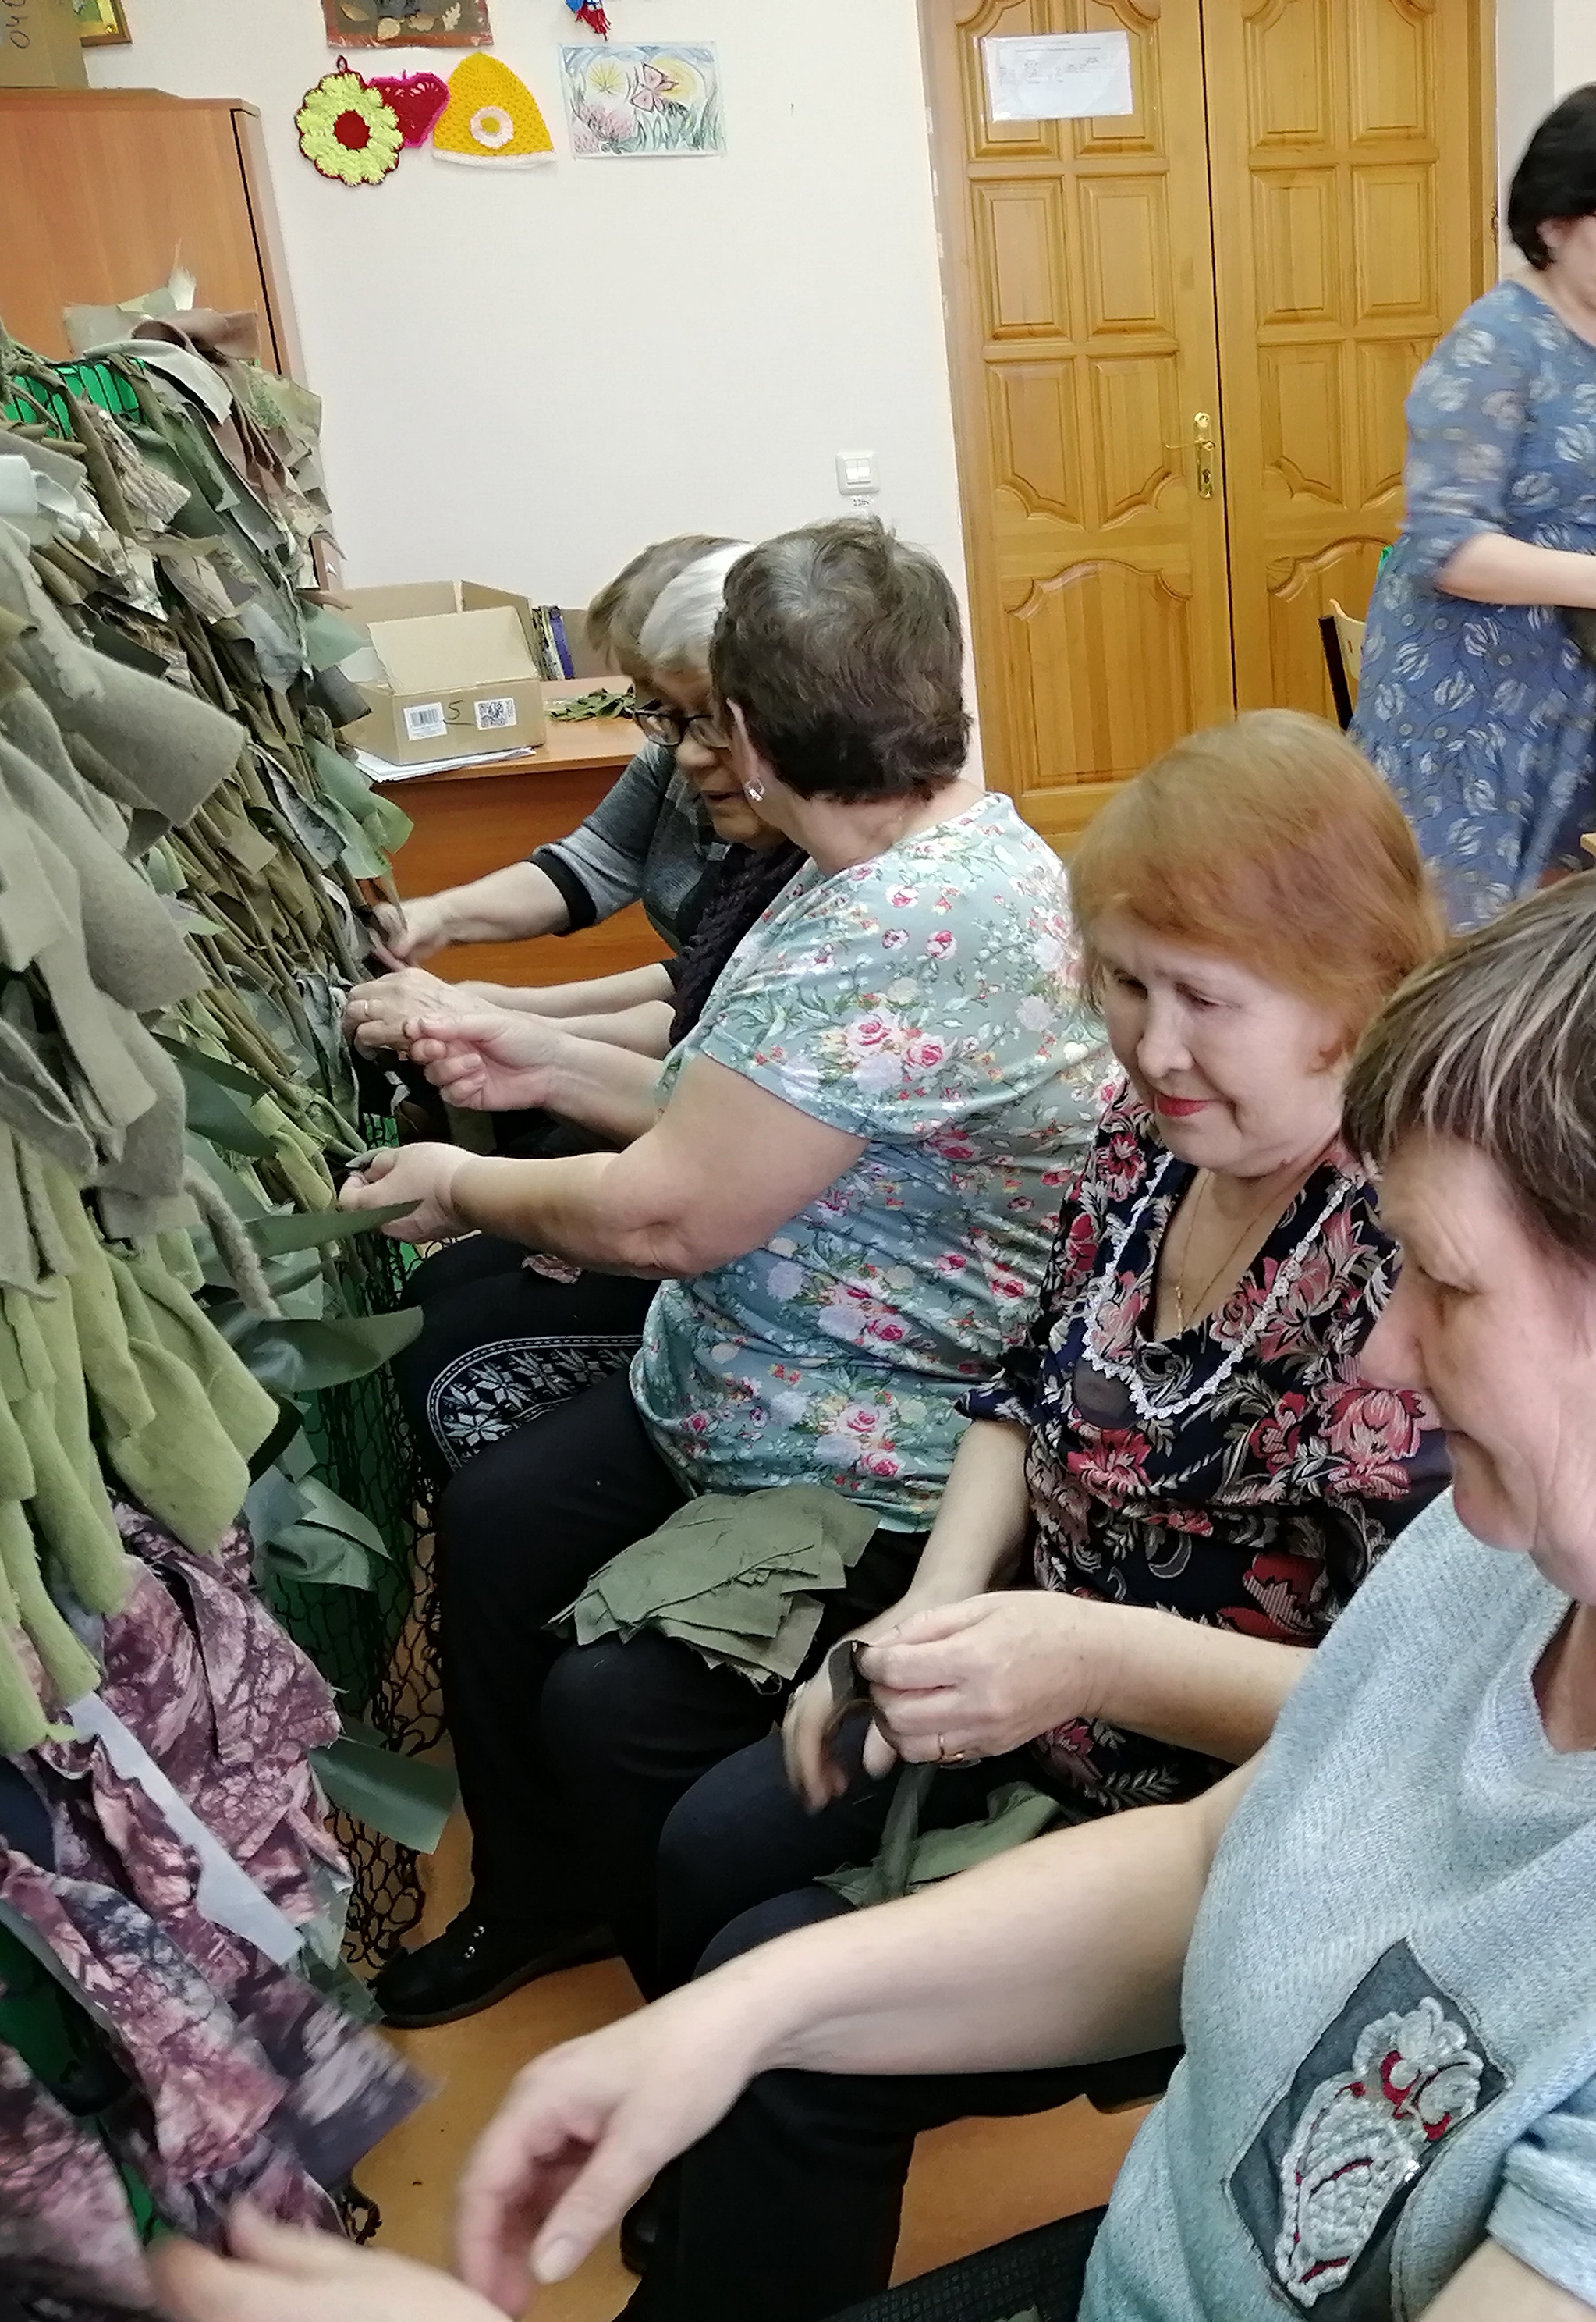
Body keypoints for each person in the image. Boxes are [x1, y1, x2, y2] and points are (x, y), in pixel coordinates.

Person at [180, 866, 1596, 2322]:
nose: (1390, 1355)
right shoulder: (1569, 1538)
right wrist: (745, 2015)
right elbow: (1251, 1851)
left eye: (1447, 1285)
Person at [607, 711, 1449, 2316]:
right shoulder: (1154, 1139)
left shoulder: (1409, 1257)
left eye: (1206, 999)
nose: (1152, 1045)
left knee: (790, 2021)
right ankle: (703, 2174)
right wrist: (935, 1608)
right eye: (1124, 985)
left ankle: (741, 2199)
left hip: (1212, 1796)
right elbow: (1024, 1380)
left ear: (1353, 990)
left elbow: (1395, 1714)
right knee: (711, 1838)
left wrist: (1076, 1656)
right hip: (1027, 1675)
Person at [339, 518, 1112, 2032]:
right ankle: (544, 1897)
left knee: (605, 1705)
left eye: (698, 723)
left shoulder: (907, 922)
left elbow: (666, 1219)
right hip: (735, 1384)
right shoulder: (870, 869)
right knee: (500, 1522)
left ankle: (699, 2037)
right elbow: (730, 1111)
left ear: (747, 735)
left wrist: (460, 1180)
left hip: (872, 1454)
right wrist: (530, 1051)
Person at [369, 545, 812, 1482]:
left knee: (469, 1348)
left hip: (759, 1278)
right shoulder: (712, 793)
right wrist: (459, 953)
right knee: (461, 1279)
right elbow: (617, 903)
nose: (673, 745)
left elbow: (692, 1059)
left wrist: (515, 1034)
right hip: (695, 1177)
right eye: (655, 710)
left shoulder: (817, 875)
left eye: (687, 713)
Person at [1352, 83, 1596, 932]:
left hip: (1582, 693)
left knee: (1569, 933)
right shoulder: (1494, 346)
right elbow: (1447, 549)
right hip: (1467, 696)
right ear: (1555, 223)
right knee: (1456, 943)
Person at [345, 539, 794, 1069]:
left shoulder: (797, 835)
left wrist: (507, 1018)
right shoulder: (677, 757)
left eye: (703, 712)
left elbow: (699, 1010)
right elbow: (599, 865)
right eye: (652, 700)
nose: (683, 745)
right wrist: (438, 919)